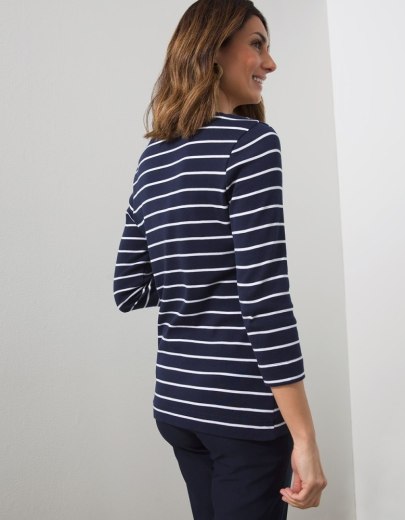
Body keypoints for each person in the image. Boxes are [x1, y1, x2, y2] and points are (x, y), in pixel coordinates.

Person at [113, 0, 327, 518]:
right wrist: (304, 437)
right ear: (212, 51)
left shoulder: (152, 159)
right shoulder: (251, 144)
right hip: (240, 412)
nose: (270, 63)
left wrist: (193, 273)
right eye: (257, 44)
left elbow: (128, 288)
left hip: (177, 404)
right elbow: (264, 296)